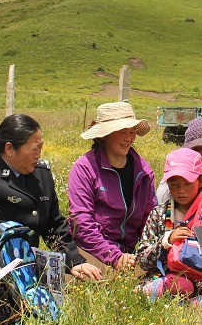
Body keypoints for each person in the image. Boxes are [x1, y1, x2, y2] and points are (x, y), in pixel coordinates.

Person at [0, 114, 103, 282]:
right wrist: (0, 268)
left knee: (88, 282)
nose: (38, 154)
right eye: (34, 149)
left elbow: (53, 225)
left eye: (41, 147)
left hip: (31, 266)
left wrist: (75, 260)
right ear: (9, 149)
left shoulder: (41, 174)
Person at [67, 101, 156, 272]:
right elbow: (82, 222)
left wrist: (147, 250)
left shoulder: (143, 171)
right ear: (105, 135)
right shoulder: (84, 168)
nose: (129, 138)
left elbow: (150, 218)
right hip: (92, 250)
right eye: (122, 132)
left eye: (132, 132)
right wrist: (114, 256)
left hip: (130, 254)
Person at [136, 148, 202, 299]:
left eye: (188, 184)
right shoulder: (159, 214)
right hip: (164, 277)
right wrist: (166, 242)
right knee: (175, 284)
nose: (181, 190)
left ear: (201, 181)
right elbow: (142, 260)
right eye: (174, 184)